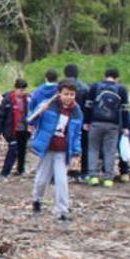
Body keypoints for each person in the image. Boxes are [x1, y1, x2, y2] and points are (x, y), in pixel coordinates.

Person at [28, 80, 85, 222]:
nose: (69, 97)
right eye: (66, 94)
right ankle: (37, 200)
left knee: (61, 181)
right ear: (59, 94)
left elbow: (77, 134)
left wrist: (77, 152)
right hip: (47, 149)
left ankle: (62, 211)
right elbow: (31, 121)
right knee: (41, 180)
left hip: (62, 151)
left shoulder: (76, 111)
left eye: (72, 94)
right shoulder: (49, 105)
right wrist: (40, 110)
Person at [85, 68, 128, 187]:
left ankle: (93, 176)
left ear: (105, 76)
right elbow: (125, 109)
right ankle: (108, 178)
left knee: (93, 149)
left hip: (96, 122)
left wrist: (86, 121)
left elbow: (88, 105)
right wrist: (125, 126)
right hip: (113, 124)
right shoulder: (122, 89)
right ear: (117, 77)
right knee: (110, 151)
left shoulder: (95, 87)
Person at [0, 78, 31, 179]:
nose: (22, 92)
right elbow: (0, 116)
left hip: (24, 129)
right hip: (11, 130)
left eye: (24, 90)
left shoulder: (28, 99)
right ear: (15, 88)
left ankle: (21, 169)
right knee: (13, 150)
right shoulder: (7, 100)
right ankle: (4, 173)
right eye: (20, 90)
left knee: (22, 150)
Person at [63, 64, 91, 178]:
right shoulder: (85, 87)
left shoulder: (62, 87)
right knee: (83, 145)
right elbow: (88, 106)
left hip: (65, 119)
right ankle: (84, 172)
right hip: (81, 120)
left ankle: (64, 170)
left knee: (63, 145)